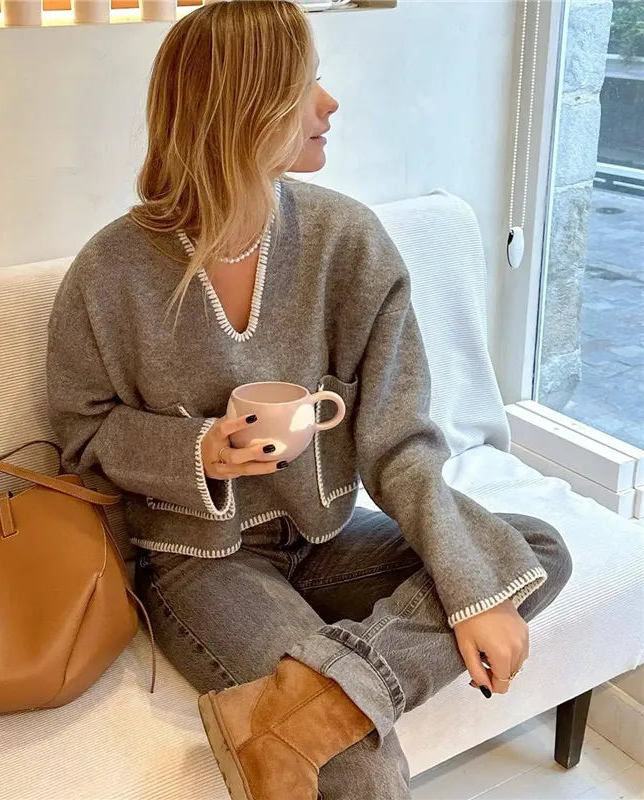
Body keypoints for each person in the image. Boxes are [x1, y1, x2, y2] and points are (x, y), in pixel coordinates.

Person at [45, 2, 573, 798]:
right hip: (200, 563)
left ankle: (318, 703)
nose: (329, 104)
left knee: (524, 555)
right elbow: (82, 435)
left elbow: (401, 443)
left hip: (324, 540)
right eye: (306, 85)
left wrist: (474, 592)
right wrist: (199, 452)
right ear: (245, 109)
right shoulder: (110, 273)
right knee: (356, 763)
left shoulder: (346, 241)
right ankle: (326, 717)